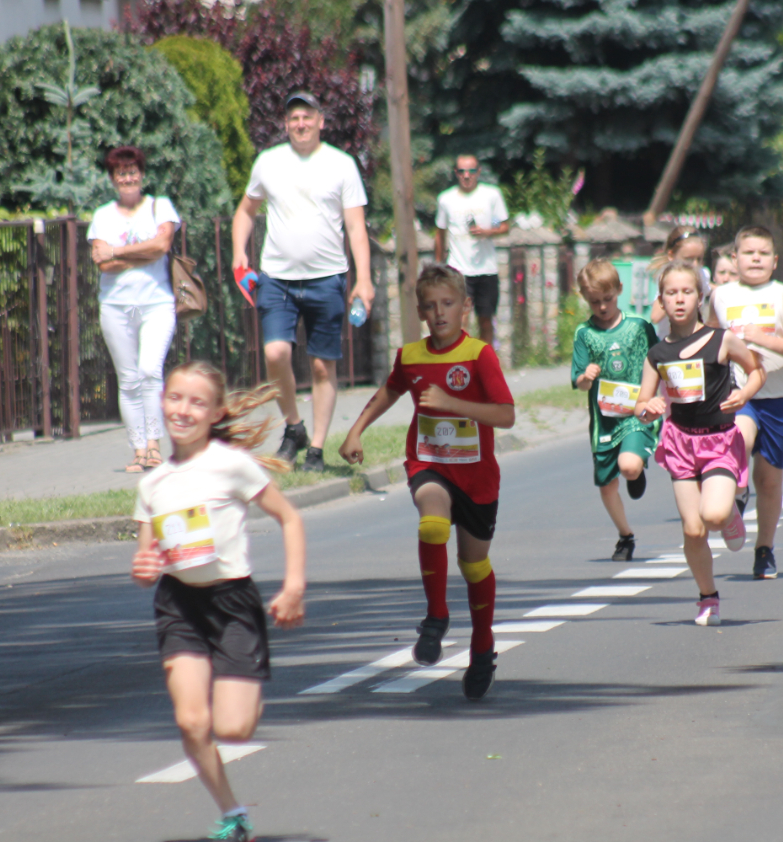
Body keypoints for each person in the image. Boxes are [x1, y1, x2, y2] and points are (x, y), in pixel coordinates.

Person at [130, 361, 306, 842]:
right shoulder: (152, 484)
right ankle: (233, 813)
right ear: (162, 401)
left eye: (196, 402)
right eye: (174, 398)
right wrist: (143, 569)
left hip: (232, 603)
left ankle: (243, 697)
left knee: (232, 729)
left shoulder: (231, 464)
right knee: (190, 721)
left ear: (216, 412)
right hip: (179, 605)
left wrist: (292, 586)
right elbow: (147, 561)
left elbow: (289, 518)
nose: (182, 409)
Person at [339, 265, 514, 700]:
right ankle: (436, 617)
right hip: (429, 463)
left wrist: (454, 403)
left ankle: (482, 647)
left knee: (474, 565)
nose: (439, 314)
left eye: (448, 304)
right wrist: (355, 429)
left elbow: (506, 415)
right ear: (420, 311)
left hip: (476, 476)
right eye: (431, 306)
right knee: (432, 521)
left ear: (465, 308)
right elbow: (389, 391)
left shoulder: (479, 355)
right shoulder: (410, 356)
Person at [232, 92, 374, 472]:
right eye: (294, 117)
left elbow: (356, 227)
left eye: (307, 116)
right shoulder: (269, 162)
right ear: (286, 124)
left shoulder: (341, 165)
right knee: (276, 353)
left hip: (327, 279)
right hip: (276, 279)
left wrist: (364, 279)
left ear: (321, 121)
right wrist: (238, 252)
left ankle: (315, 449)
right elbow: (246, 210)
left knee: (323, 367)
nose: (300, 123)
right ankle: (293, 425)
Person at [635, 261, 765, 626]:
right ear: (661, 300)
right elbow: (641, 404)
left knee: (714, 516)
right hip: (681, 444)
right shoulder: (657, 354)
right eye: (671, 293)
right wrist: (649, 408)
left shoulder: (722, 339)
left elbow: (757, 370)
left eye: (687, 292)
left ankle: (732, 511)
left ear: (700, 296)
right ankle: (708, 597)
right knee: (693, 529)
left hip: (719, 440)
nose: (679, 300)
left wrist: (744, 395)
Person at [708, 226, 783, 581]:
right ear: (733, 259)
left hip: (777, 398)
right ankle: (736, 491)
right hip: (737, 395)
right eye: (748, 253)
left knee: (768, 481)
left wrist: (764, 338)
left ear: (774, 260)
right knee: (739, 437)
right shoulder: (721, 296)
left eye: (763, 253)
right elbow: (709, 339)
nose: (755, 259)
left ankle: (764, 549)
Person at [88, 146, 179, 473]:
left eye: (132, 171)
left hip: (157, 303)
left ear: (142, 174)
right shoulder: (102, 215)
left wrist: (118, 250)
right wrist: (143, 254)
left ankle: (155, 446)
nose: (127, 178)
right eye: (120, 173)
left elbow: (162, 245)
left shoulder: (160, 206)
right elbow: (102, 263)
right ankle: (138, 450)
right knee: (128, 380)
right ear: (113, 179)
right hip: (115, 306)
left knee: (149, 371)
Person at [571, 259, 661, 562]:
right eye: (595, 302)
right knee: (608, 485)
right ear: (586, 299)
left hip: (637, 414)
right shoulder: (584, 334)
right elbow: (579, 382)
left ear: (619, 291)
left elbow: (660, 360)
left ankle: (635, 471)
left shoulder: (638, 327)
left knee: (629, 466)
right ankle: (625, 535)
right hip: (604, 422)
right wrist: (586, 377)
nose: (603, 307)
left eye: (608, 299)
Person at [434, 155, 510, 344]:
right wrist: (438, 267)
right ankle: (462, 365)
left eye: (471, 171)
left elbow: (505, 226)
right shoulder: (446, 199)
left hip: (486, 268)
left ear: (479, 172)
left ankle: (486, 364)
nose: (466, 176)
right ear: (456, 173)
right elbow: (440, 234)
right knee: (461, 320)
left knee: (485, 320)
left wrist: (487, 232)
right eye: (461, 171)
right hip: (459, 270)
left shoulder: (491, 195)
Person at [647, 229, 709, 335]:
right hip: (670, 341)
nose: (695, 265)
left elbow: (711, 289)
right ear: (671, 255)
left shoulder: (703, 274)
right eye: (688, 259)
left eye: (699, 259)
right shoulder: (667, 278)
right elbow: (655, 317)